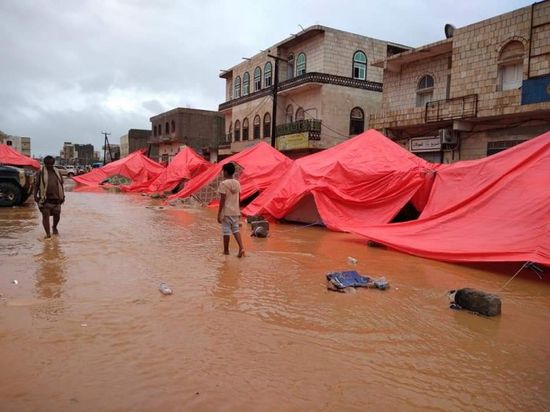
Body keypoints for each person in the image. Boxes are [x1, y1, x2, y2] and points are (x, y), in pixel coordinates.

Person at [217, 162, 245, 257]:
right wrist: (239, 210)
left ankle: (226, 251)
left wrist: (219, 214)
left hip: (226, 212)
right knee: (236, 230)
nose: (222, 173)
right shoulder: (237, 183)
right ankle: (241, 248)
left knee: (226, 232)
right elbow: (239, 198)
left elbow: (222, 200)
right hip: (235, 211)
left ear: (225, 172)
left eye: (223, 171)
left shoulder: (223, 184)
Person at [34, 156, 65, 239]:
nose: (49, 165)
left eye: (50, 164)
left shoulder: (57, 172)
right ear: (45, 163)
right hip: (45, 199)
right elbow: (36, 185)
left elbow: (61, 184)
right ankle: (48, 234)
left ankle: (54, 227)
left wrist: (63, 196)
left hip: (57, 199)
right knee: (45, 216)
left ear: (53, 163)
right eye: (47, 164)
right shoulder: (40, 172)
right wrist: (35, 196)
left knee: (57, 215)